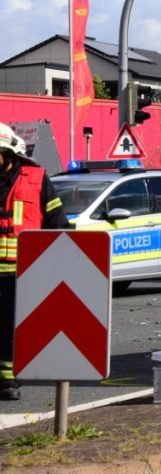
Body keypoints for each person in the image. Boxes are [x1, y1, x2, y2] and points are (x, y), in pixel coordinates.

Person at [0, 122, 72, 401]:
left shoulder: (37, 179)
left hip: (23, 272)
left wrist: (68, 258)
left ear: (8, 154)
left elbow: (57, 223)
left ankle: (7, 380)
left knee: (10, 329)